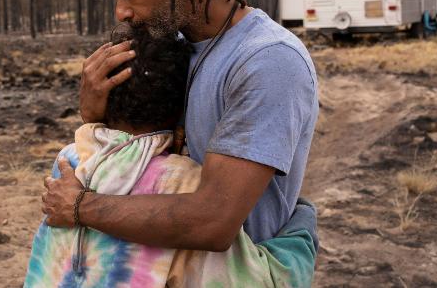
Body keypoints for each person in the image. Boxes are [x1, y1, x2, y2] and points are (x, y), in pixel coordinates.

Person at [42, 0, 319, 269]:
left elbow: (214, 221)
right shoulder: (168, 48)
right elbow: (140, 165)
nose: (120, 13)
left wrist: (82, 207)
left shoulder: (266, 61)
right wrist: (94, 118)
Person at [26, 26, 317, 287]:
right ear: (184, 117)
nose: (121, 10)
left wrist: (91, 119)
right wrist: (300, 228)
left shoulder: (69, 160)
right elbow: (258, 282)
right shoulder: (182, 182)